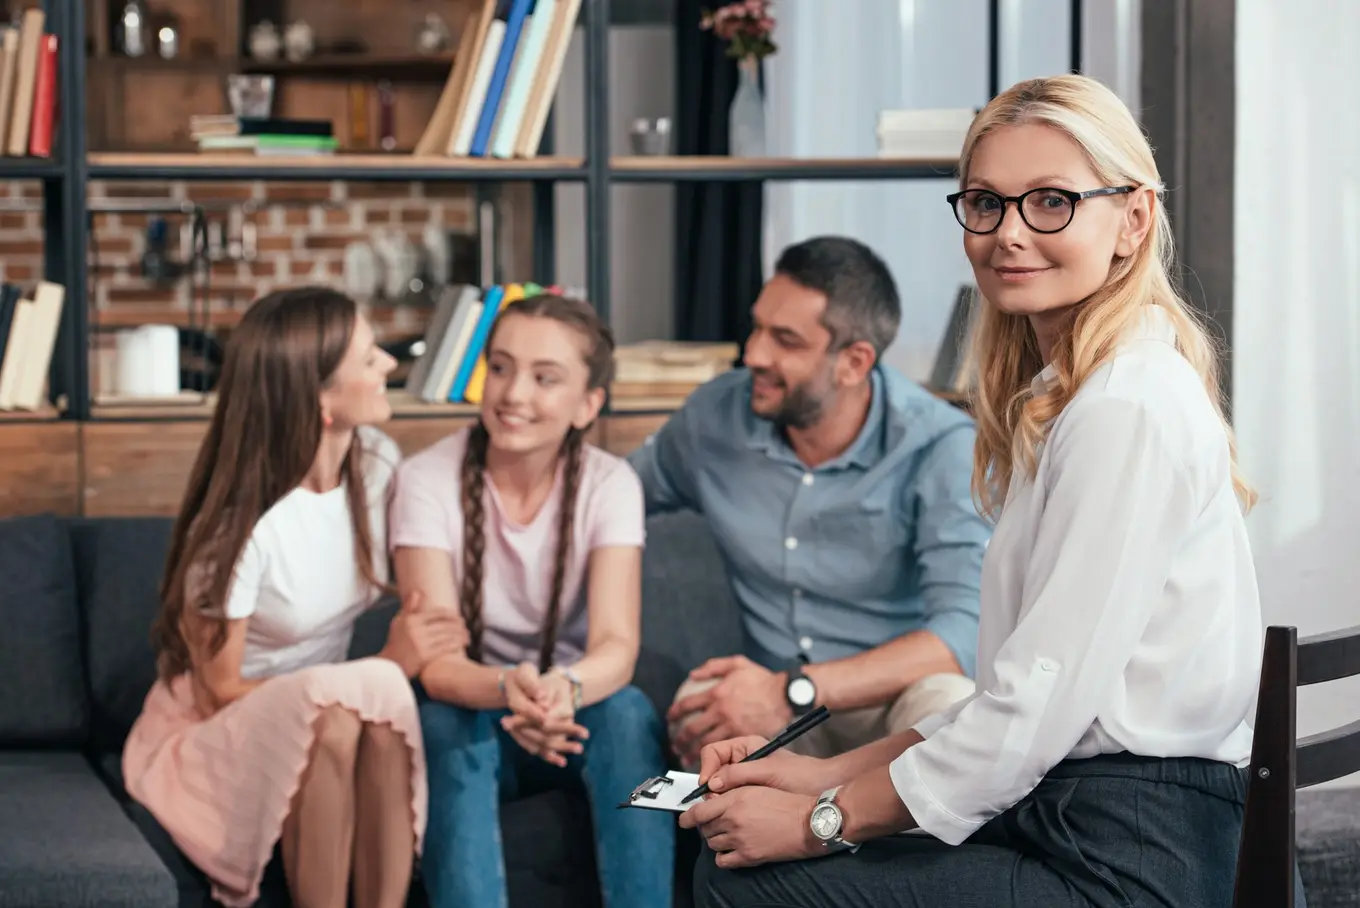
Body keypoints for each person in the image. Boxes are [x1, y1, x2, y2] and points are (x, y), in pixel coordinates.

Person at [680, 73, 1277, 908]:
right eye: (987, 204)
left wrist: (824, 817)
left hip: (1132, 856)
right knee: (737, 853)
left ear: (1132, 219)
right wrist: (815, 771)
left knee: (749, 884)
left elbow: (1029, 717)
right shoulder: (1074, 398)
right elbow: (1012, 702)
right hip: (1075, 812)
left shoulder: (1125, 409)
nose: (1010, 234)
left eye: (1052, 203)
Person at [122, 286, 469, 908]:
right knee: (341, 713)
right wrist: (388, 667)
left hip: (330, 709)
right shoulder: (239, 529)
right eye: (369, 359)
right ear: (322, 399)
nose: (390, 365)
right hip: (215, 732)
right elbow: (218, 691)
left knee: (367, 713)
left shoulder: (377, 467)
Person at [628, 235, 991, 767]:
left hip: (892, 701)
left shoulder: (942, 448)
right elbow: (613, 497)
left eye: (786, 340)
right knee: (700, 708)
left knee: (953, 707)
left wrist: (792, 688)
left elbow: (961, 635)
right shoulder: (715, 418)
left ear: (854, 362)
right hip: (780, 709)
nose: (753, 354)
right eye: (757, 327)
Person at [389, 293, 674, 908]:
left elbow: (616, 647)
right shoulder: (424, 480)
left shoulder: (610, 484)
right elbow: (437, 664)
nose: (514, 393)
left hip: (573, 708)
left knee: (628, 714)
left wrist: (559, 693)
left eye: (546, 378)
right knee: (442, 724)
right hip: (479, 702)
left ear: (588, 404)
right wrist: (507, 689)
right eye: (500, 367)